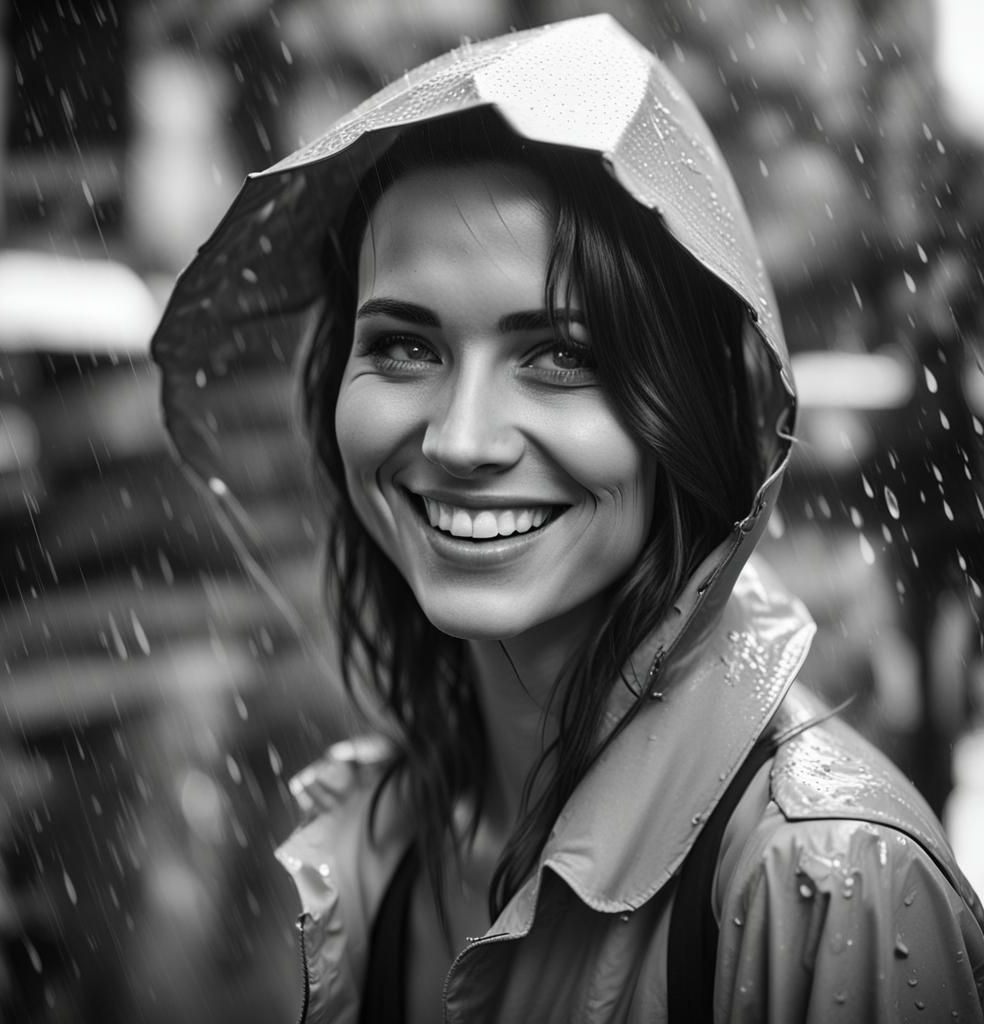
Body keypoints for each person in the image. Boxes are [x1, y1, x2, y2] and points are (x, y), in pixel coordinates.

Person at [150, 16, 984, 1023]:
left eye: (559, 356)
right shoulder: (380, 837)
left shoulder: (825, 875)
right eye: (405, 347)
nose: (459, 439)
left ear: (701, 413)